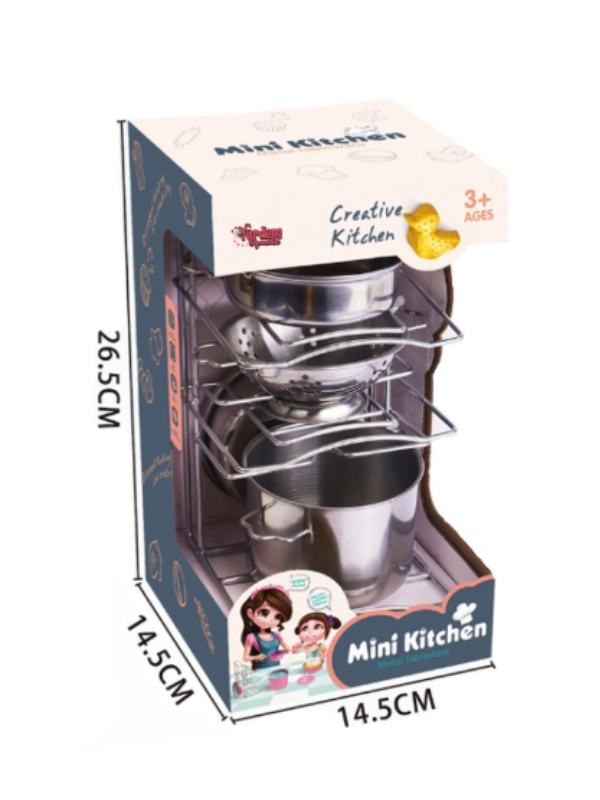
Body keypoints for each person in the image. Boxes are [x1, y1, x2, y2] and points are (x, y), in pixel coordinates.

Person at [241, 585, 292, 670]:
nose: (271, 620)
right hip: (261, 670)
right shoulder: (252, 637)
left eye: (278, 616)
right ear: (250, 613)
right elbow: (245, 658)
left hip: (276, 668)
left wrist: (282, 652)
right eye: (264, 613)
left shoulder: (276, 635)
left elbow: (287, 649)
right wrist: (257, 657)